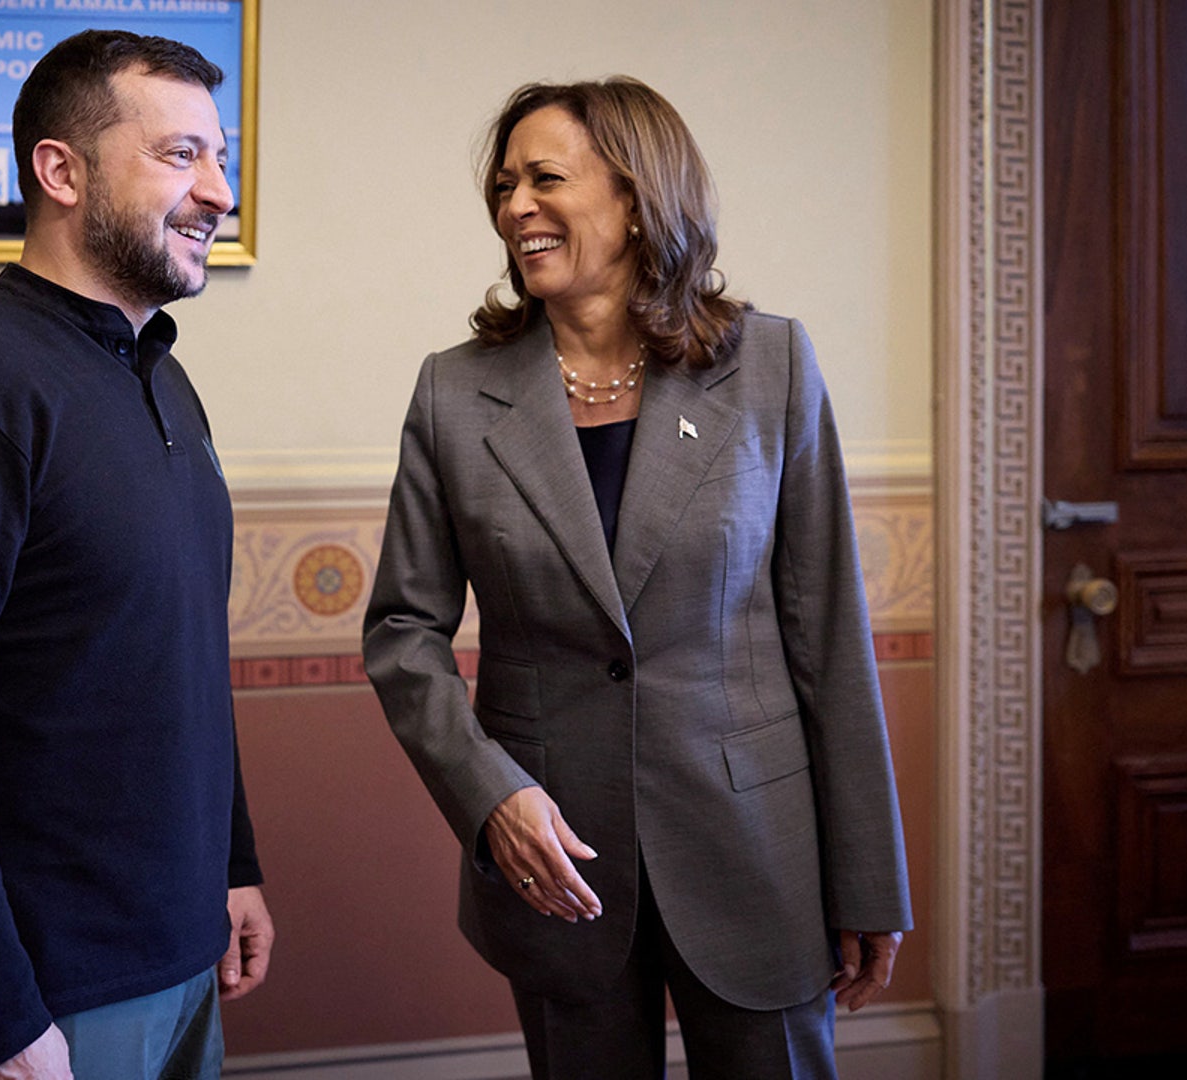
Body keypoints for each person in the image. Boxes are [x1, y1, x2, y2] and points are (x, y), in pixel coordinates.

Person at [362, 77, 911, 1080]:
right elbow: (403, 630)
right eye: (504, 184)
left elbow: (827, 634)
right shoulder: (454, 392)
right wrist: (490, 796)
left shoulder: (771, 365)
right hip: (558, 859)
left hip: (758, 854)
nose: (514, 205)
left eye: (544, 178)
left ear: (634, 195)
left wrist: (871, 876)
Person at [0, 31, 272, 1080]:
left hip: (182, 952)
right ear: (60, 170)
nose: (218, 191)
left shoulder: (164, 377)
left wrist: (233, 864)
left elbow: (175, 653)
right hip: (44, 988)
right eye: (181, 157)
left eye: (223, 160)